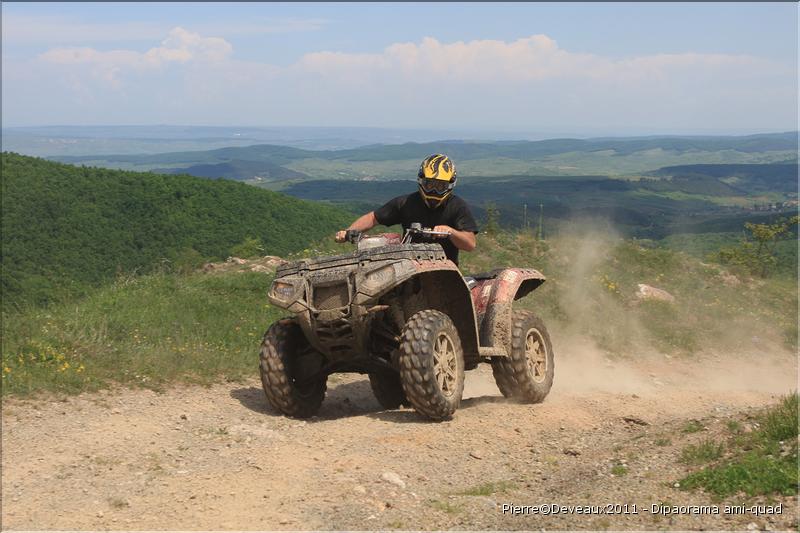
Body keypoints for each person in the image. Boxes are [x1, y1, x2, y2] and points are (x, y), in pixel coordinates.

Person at [335, 154, 478, 265]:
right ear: (421, 181)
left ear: (450, 185)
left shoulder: (458, 206)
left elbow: (470, 244)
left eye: (440, 186)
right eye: (429, 184)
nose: (434, 190)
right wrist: (348, 232)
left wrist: (450, 232)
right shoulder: (405, 203)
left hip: (445, 270)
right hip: (408, 268)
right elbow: (373, 218)